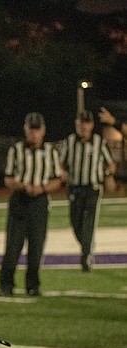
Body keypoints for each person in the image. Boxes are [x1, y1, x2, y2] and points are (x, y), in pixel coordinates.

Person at [0, 112, 63, 296]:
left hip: (39, 203)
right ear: (26, 130)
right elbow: (8, 179)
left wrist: (42, 188)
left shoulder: (51, 152)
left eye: (37, 130)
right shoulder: (16, 150)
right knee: (12, 246)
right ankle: (6, 284)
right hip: (20, 201)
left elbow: (58, 180)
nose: (34, 134)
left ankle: (33, 285)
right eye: (31, 129)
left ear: (43, 131)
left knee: (36, 247)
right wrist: (23, 185)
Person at [60, 109, 116, 272]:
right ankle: (87, 247)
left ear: (91, 125)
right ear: (76, 124)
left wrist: (108, 175)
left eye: (86, 123)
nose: (83, 126)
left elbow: (110, 163)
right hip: (75, 188)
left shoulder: (99, 142)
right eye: (80, 123)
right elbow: (61, 163)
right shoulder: (69, 142)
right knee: (75, 223)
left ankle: (86, 256)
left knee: (88, 224)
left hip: (93, 188)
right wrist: (62, 174)